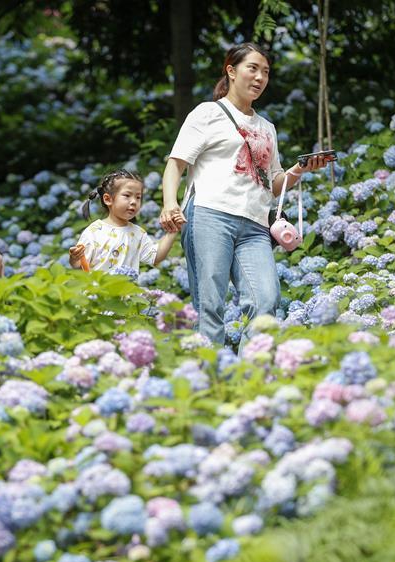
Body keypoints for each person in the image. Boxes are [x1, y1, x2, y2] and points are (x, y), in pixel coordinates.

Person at [159, 42, 332, 348]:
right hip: (210, 214)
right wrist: (170, 204)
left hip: (254, 225)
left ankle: (252, 377)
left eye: (265, 72)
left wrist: (300, 169)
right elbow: (176, 164)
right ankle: (209, 378)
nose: (260, 77)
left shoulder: (267, 127)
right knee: (210, 305)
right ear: (231, 71)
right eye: (252, 68)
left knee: (266, 300)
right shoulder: (208, 113)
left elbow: (274, 183)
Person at [69, 168, 183, 275]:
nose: (133, 201)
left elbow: (155, 257)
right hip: (99, 294)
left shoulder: (138, 233)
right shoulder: (94, 231)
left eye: (138, 197)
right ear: (108, 199)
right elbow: (81, 267)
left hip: (128, 294)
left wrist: (173, 231)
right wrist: (75, 259)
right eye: (127, 195)